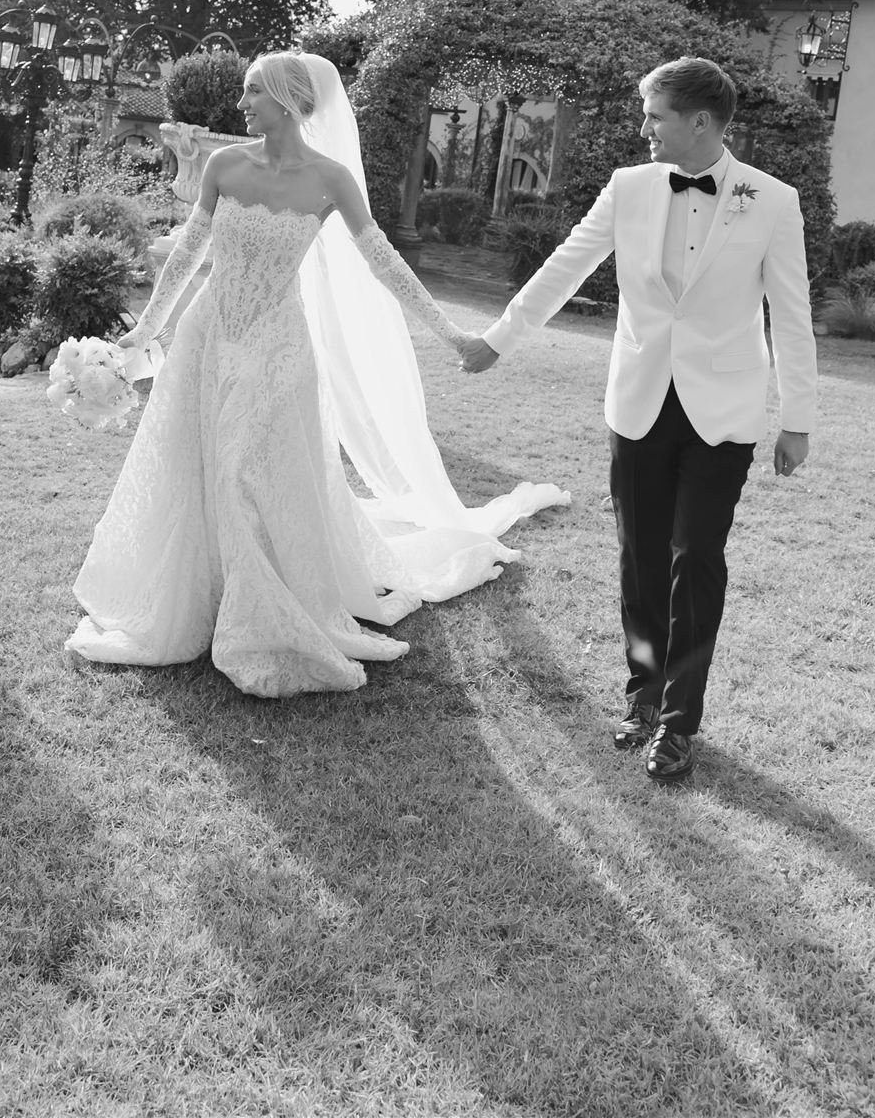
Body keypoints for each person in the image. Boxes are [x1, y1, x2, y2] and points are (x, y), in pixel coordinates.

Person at [66, 51, 567, 698]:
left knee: (246, 467)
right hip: (209, 335)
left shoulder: (330, 179)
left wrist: (449, 335)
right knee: (196, 461)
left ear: (287, 100)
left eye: (252, 92)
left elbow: (383, 264)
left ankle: (261, 614)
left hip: (278, 345)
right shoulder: (223, 164)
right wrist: (146, 327)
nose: (241, 104)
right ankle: (201, 597)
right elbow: (191, 249)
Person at [460, 56, 815, 781]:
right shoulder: (627, 188)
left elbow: (793, 314)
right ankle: (642, 695)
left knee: (696, 560)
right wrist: (497, 340)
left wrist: (796, 418)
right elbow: (566, 263)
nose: (643, 128)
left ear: (700, 122)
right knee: (639, 557)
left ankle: (680, 724)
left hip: (723, 412)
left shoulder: (772, 201)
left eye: (654, 116)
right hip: (639, 403)